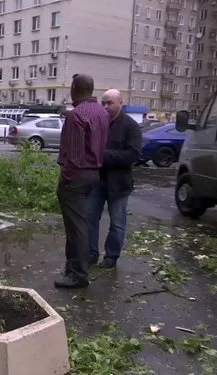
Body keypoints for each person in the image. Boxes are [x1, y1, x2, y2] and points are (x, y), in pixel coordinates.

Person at [54, 74, 110, 289]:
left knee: (76, 227)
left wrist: (65, 178)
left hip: (76, 177)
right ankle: (74, 268)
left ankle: (78, 274)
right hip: (93, 174)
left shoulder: (76, 116)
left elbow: (75, 157)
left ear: (75, 88)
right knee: (81, 223)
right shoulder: (101, 112)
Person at [87, 89, 142, 268]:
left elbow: (133, 155)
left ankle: (111, 256)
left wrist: (103, 156)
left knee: (117, 223)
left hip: (119, 184)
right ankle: (91, 253)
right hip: (97, 181)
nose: (105, 106)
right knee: (90, 219)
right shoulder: (99, 123)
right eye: (103, 103)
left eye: (110, 103)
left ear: (120, 103)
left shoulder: (130, 126)